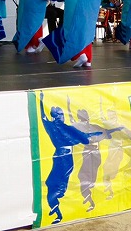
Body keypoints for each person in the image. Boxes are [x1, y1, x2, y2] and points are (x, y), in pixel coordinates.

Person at [39, 91, 102, 225]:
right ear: (56, 116)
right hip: (61, 158)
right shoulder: (60, 127)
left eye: (62, 114)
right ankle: (56, 209)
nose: (61, 116)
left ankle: (57, 210)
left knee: (56, 184)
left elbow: (43, 117)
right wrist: (40, 101)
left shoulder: (54, 126)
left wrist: (41, 101)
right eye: (60, 114)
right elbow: (83, 136)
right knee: (52, 183)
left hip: (63, 158)